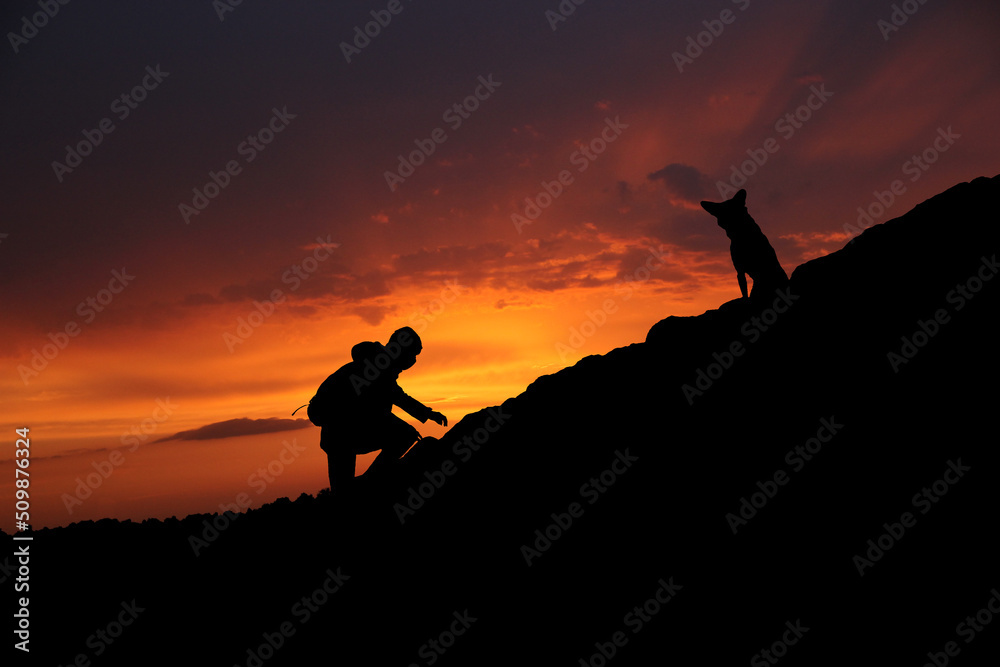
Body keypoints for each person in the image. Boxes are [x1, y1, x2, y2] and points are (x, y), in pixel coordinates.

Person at [312, 327, 447, 495]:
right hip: (343, 434)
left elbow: (391, 398)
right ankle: (370, 482)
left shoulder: (378, 365)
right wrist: (427, 414)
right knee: (405, 435)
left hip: (342, 434)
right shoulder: (377, 368)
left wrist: (427, 413)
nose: (413, 361)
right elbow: (394, 398)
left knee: (343, 491)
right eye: (413, 354)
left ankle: (366, 484)